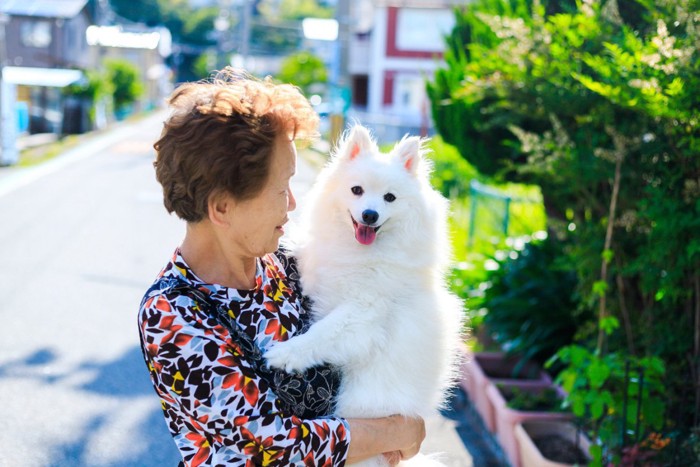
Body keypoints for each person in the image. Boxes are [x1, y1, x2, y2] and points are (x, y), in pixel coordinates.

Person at [137, 67, 426, 466]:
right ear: (222, 207)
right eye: (281, 188)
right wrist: (394, 431)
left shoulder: (286, 264)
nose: (292, 203)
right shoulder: (173, 314)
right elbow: (278, 443)